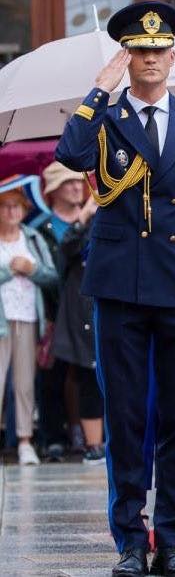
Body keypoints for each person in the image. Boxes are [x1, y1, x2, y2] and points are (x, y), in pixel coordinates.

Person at [55, 0, 175, 577]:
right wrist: (98, 90)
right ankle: (130, 541)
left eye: (159, 50)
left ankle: (174, 541)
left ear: (173, 56)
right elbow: (70, 154)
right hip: (120, 286)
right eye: (139, 51)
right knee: (127, 417)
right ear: (126, 58)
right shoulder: (104, 117)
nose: (151, 59)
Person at [0, 186, 58, 466]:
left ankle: (25, 440)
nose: (11, 211)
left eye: (16, 205)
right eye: (5, 205)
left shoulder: (33, 238)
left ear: (24, 210)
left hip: (28, 317)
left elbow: (52, 276)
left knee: (24, 383)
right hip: (2, 319)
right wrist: (9, 270)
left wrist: (31, 269)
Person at [37, 161, 89, 461]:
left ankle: (86, 433)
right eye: (68, 182)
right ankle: (52, 437)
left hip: (85, 307)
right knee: (52, 375)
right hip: (54, 309)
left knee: (88, 374)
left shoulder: (95, 219)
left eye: (78, 181)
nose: (76, 187)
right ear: (54, 190)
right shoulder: (41, 228)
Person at [50, 194, 106, 464]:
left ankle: (114, 440)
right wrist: (83, 217)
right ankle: (94, 445)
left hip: (112, 301)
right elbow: (65, 250)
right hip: (82, 307)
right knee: (88, 374)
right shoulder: (84, 225)